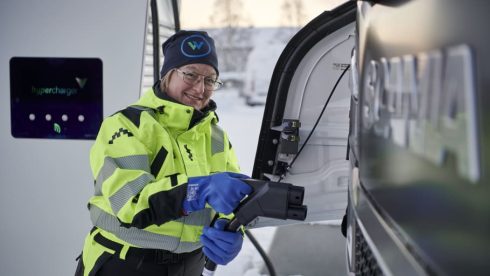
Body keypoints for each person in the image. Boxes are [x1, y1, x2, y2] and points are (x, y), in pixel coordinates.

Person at [75, 30, 253, 276]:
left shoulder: (215, 136)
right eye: (191, 75)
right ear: (168, 75)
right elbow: (130, 202)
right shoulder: (126, 126)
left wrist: (231, 229)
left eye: (210, 79)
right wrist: (198, 191)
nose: (200, 88)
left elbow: (231, 199)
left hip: (190, 265)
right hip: (124, 263)